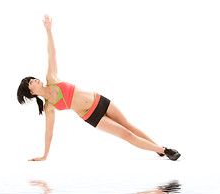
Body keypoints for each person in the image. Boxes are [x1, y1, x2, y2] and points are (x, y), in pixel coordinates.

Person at [17, 15, 181, 162]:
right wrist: (45, 155)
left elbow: (51, 53)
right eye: (31, 82)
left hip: (100, 100)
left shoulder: (51, 78)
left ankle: (158, 149)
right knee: (127, 135)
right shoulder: (49, 106)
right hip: (92, 116)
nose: (35, 80)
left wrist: (48, 31)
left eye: (32, 79)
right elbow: (48, 133)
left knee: (129, 126)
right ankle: (165, 151)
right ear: (31, 93)